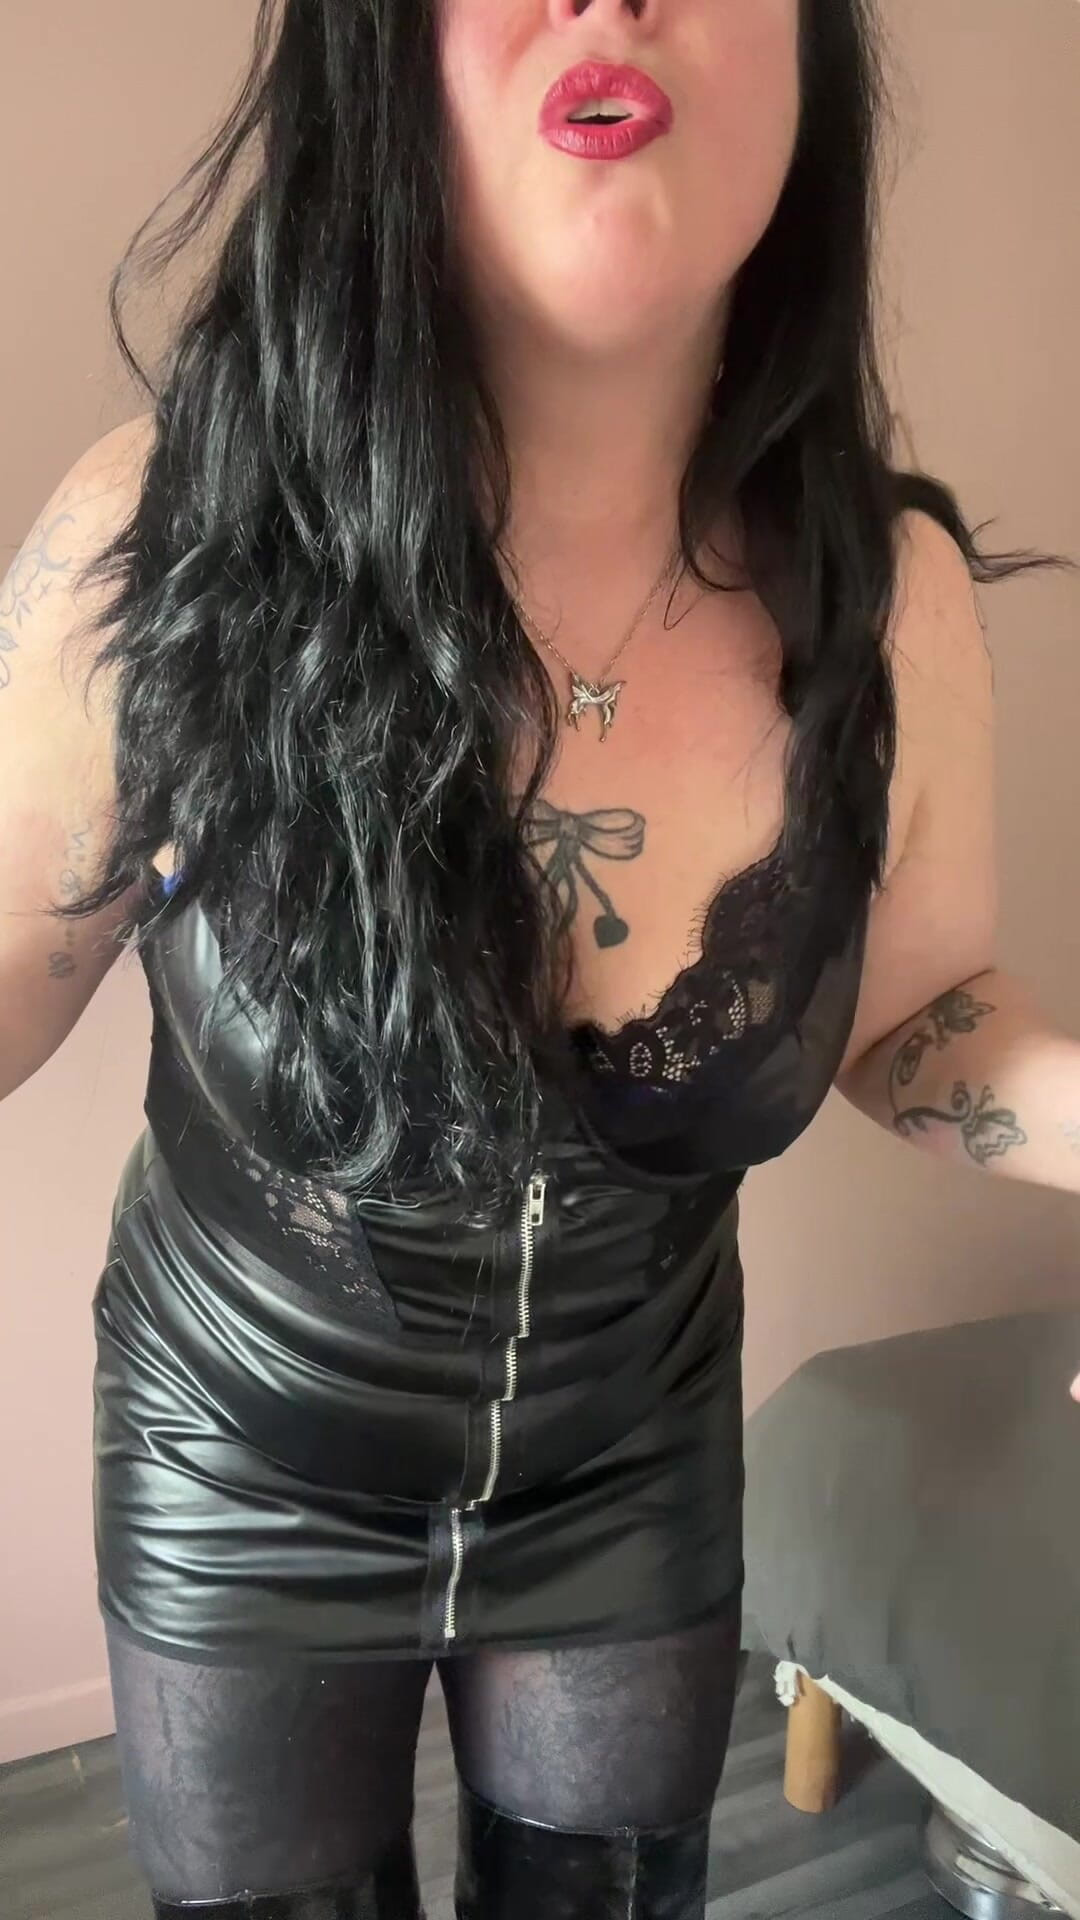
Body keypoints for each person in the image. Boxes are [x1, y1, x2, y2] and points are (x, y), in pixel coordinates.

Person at [2, 1, 1076, 1915]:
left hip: (628, 1463)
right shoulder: (156, 545)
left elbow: (919, 1018)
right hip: (238, 1453)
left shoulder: (885, 605)